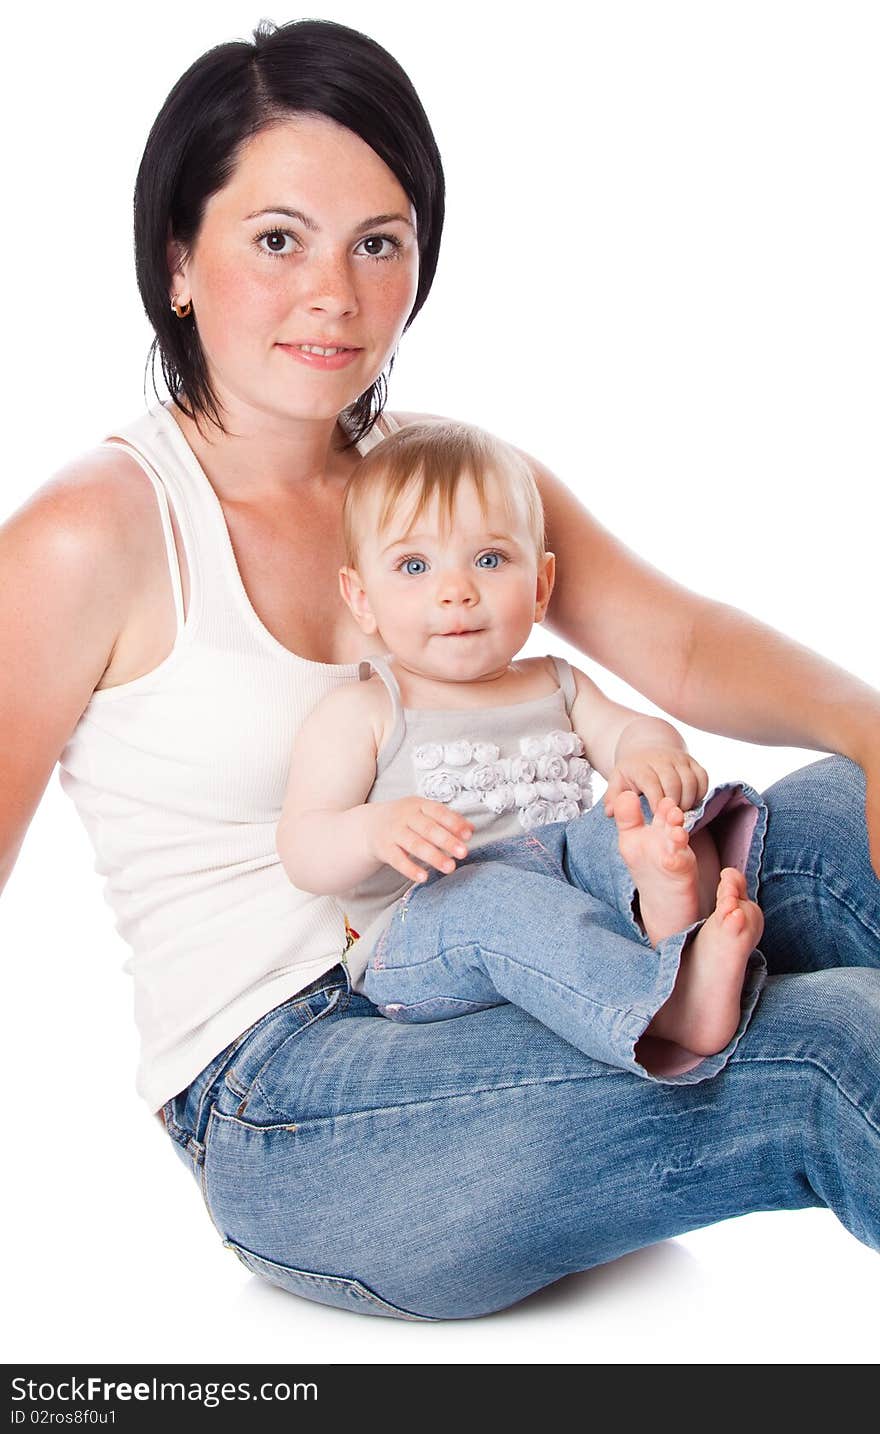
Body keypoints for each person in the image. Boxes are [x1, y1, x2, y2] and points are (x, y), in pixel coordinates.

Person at [1, 17, 878, 1321]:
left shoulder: (441, 477)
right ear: (179, 262)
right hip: (299, 1090)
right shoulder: (94, 533)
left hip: (551, 933)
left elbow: (677, 643)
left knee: (842, 821)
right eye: (278, 238)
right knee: (838, 1044)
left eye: (380, 242)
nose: (335, 296)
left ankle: (673, 1001)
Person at [278, 418, 768, 1080]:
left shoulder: (557, 684)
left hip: (563, 874)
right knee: (498, 903)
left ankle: (670, 919)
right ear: (362, 599)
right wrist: (373, 829)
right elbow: (303, 848)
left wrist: (650, 757)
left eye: (488, 560)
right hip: (426, 927)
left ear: (539, 587)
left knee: (644, 818)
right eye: (414, 566)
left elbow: (629, 733)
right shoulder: (365, 711)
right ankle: (664, 1013)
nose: (456, 590)